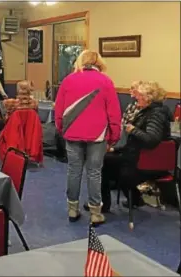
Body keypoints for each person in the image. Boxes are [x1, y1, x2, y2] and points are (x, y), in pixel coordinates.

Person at [54, 50, 121, 226]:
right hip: (98, 135)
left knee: (73, 171)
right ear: (99, 62)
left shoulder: (69, 80)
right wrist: (114, 136)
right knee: (94, 172)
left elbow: (59, 109)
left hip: (72, 132)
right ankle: (95, 212)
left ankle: (72, 208)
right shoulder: (106, 81)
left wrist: (61, 128)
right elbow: (114, 112)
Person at [100, 81, 172, 211]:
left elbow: (151, 140)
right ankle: (134, 198)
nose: (135, 97)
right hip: (141, 158)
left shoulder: (155, 114)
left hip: (144, 164)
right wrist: (115, 149)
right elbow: (137, 145)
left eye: (138, 95)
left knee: (104, 162)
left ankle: (104, 204)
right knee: (109, 157)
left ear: (147, 97)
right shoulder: (156, 112)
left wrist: (133, 130)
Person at [0, 80, 38, 156]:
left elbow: (2, 112)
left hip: (13, 128)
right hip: (28, 128)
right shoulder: (35, 103)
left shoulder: (10, 102)